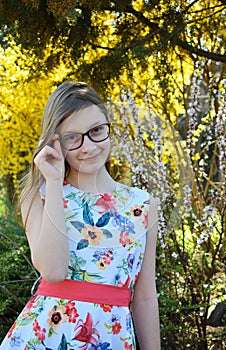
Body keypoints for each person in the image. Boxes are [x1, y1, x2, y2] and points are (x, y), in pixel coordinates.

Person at [0, 81, 160, 349]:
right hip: (48, 337)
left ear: (109, 129)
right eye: (72, 137)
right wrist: (52, 182)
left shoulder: (142, 205)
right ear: (55, 143)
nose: (88, 147)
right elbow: (53, 271)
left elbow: (144, 297)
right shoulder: (37, 196)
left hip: (111, 338)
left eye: (96, 130)